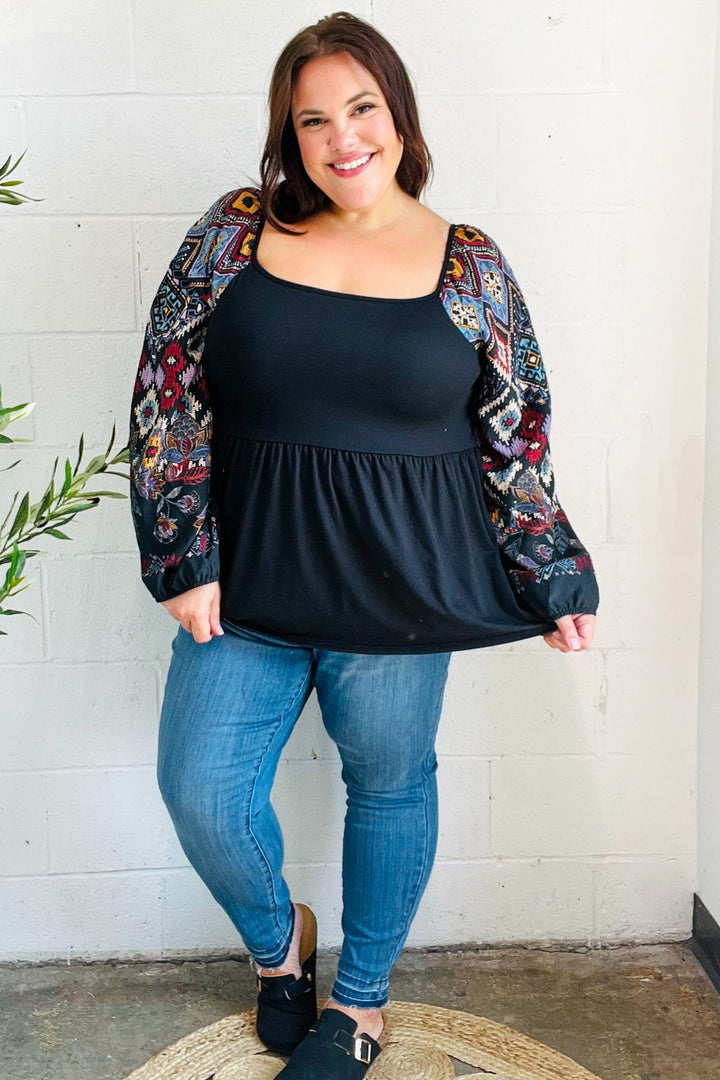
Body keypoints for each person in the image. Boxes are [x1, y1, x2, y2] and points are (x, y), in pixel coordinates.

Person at [127, 11, 599, 1078]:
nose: (342, 138)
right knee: (201, 789)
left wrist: (554, 575)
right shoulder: (233, 234)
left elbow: (517, 435)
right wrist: (181, 554)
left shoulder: (470, 264)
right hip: (244, 587)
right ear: (287, 136)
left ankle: (362, 1003)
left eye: (361, 108)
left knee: (388, 786)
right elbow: (167, 395)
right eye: (313, 120)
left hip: (400, 595)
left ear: (399, 117)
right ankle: (278, 948)